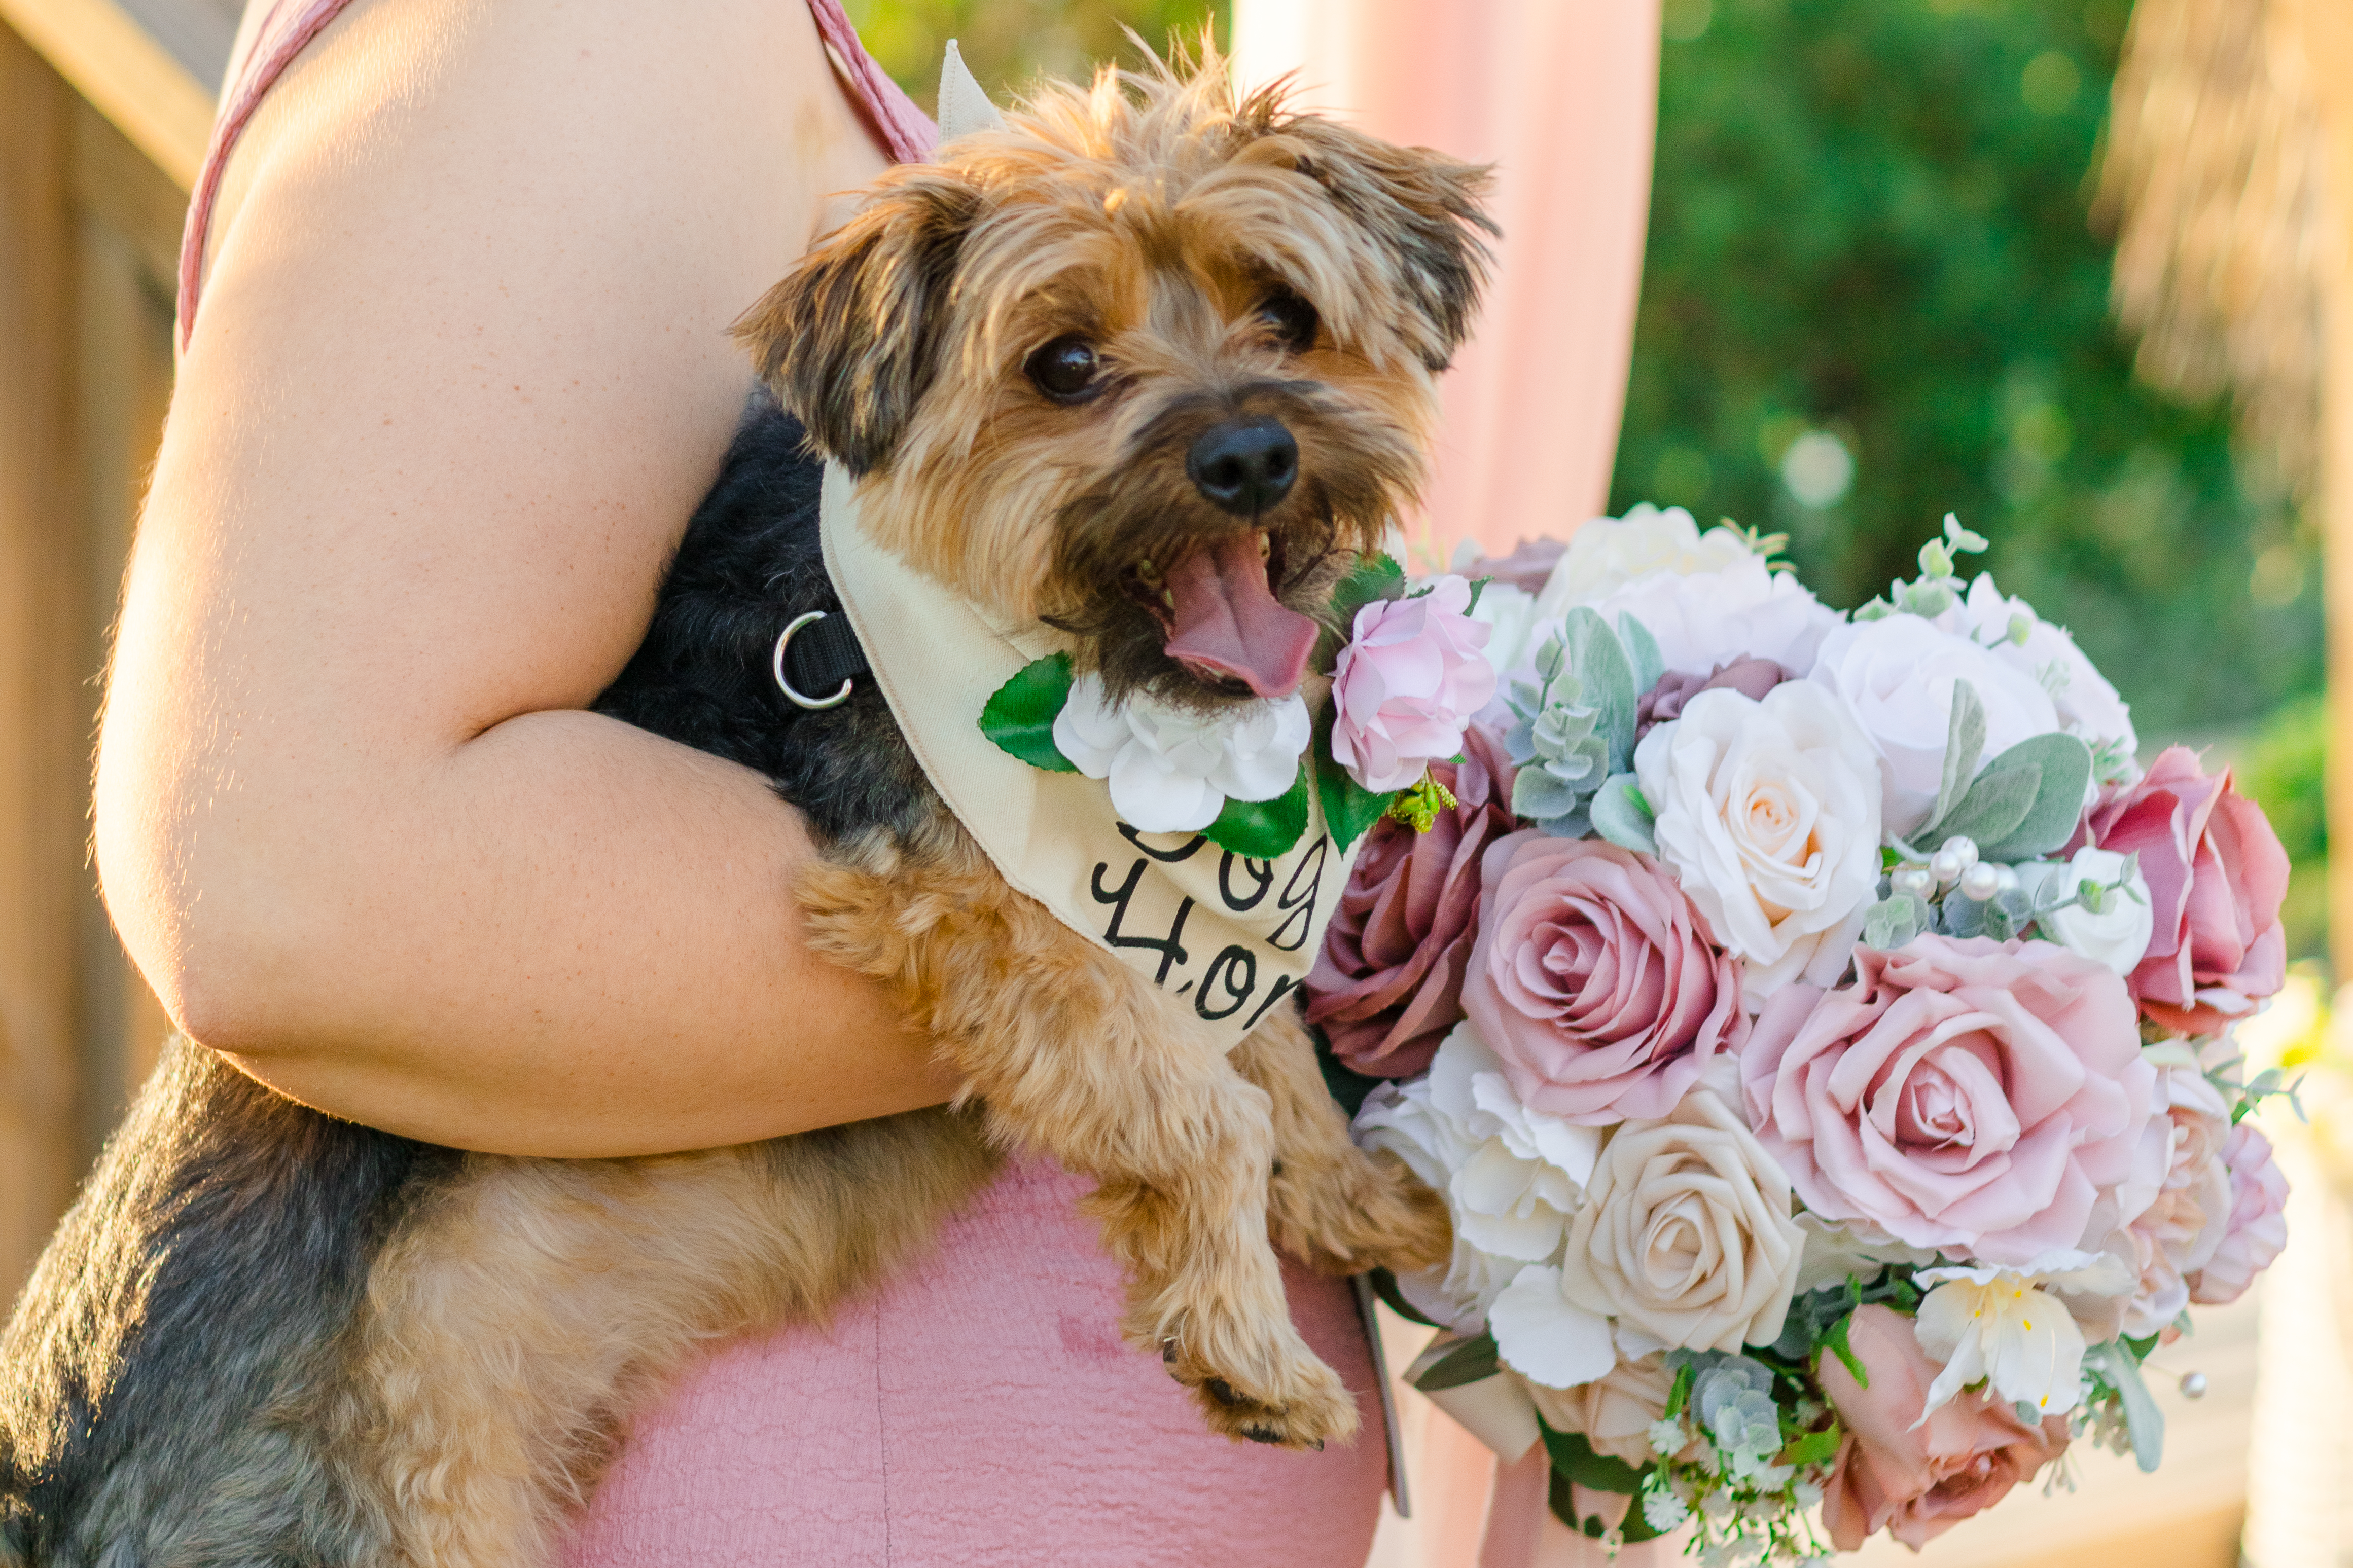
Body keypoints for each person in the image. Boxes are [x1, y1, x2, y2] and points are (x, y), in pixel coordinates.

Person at [95, 1, 1389, 1561]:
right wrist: (1162, 1074)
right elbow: (289, 886)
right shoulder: (582, 34)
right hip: (357, 1447)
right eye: (1066, 366)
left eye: (1277, 322)